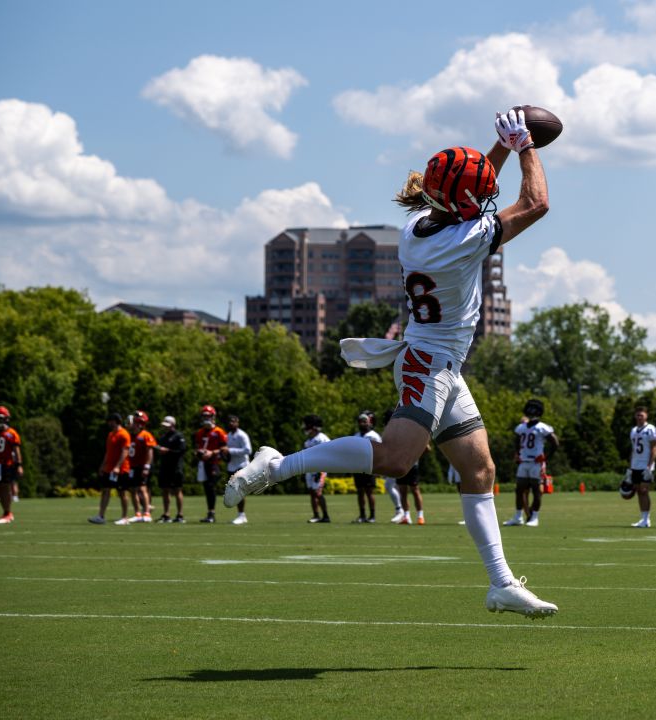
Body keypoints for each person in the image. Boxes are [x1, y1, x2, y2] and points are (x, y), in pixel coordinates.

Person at [224, 109, 558, 617]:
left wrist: (501, 149)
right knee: (396, 461)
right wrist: (524, 145)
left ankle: (501, 582)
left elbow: (467, 190)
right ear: (462, 200)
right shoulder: (457, 240)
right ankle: (277, 465)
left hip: (442, 362)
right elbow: (536, 202)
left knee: (480, 468)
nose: (485, 194)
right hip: (429, 361)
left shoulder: (420, 225)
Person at [506, 399, 558, 528]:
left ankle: (534, 517)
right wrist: (517, 453)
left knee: (536, 490)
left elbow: (555, 443)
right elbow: (517, 442)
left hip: (536, 462)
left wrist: (545, 457)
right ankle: (518, 517)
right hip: (524, 462)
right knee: (519, 490)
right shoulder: (521, 427)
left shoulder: (542, 427)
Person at [622, 405, 656, 528]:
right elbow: (633, 450)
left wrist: (650, 466)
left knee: (644, 491)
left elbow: (654, 449)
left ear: (646, 416)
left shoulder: (651, 429)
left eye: (642, 415)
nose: (640, 417)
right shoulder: (633, 430)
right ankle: (643, 518)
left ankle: (647, 519)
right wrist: (629, 468)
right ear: (635, 416)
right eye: (638, 415)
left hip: (645, 465)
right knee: (639, 491)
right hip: (635, 465)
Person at [89, 413, 130, 524]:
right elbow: (108, 452)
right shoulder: (111, 434)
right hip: (109, 469)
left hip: (121, 470)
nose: (108, 423)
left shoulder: (124, 434)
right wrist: (103, 465)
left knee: (122, 493)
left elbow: (125, 451)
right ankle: (101, 516)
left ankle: (125, 517)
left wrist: (117, 467)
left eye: (110, 421)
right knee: (105, 491)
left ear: (116, 421)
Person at [193, 405, 230, 524]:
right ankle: (210, 513)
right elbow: (197, 447)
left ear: (213, 416)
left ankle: (212, 513)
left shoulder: (219, 432)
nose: (206, 418)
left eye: (208, 416)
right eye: (204, 416)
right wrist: (199, 453)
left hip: (215, 463)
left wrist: (212, 453)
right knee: (207, 488)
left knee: (210, 487)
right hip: (204, 463)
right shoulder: (200, 432)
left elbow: (224, 448)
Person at [351, 411, 383, 523]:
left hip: (369, 467)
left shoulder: (374, 436)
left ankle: (372, 516)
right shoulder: (356, 436)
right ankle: (362, 515)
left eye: (364, 421)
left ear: (369, 422)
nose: (362, 424)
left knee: (369, 492)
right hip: (358, 467)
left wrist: (378, 467)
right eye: (360, 421)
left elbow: (380, 452)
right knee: (360, 492)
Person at [154, 415, 187, 523]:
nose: (165, 427)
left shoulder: (178, 436)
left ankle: (180, 515)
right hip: (165, 467)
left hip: (176, 467)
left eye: (167, 425)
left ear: (173, 425)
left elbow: (181, 451)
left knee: (177, 490)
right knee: (165, 490)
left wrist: (168, 451)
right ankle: (166, 514)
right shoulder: (163, 437)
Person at [126, 411, 157, 523]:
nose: (132, 424)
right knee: (133, 490)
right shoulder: (130, 435)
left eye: (135, 422)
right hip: (132, 466)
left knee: (143, 488)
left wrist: (147, 466)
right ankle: (138, 513)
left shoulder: (146, 435)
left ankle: (147, 513)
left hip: (142, 465)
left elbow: (150, 452)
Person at [301, 414, 331, 523]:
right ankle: (316, 515)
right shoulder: (308, 441)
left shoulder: (322, 438)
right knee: (312, 492)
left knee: (318, 492)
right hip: (310, 469)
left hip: (320, 468)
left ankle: (326, 516)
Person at [224, 415, 253, 525]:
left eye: (233, 422)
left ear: (237, 422)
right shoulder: (228, 435)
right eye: (229, 422)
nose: (231, 424)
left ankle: (242, 515)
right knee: (234, 491)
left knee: (239, 490)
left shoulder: (242, 435)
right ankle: (241, 515)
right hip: (232, 466)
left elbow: (248, 450)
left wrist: (230, 451)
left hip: (242, 465)